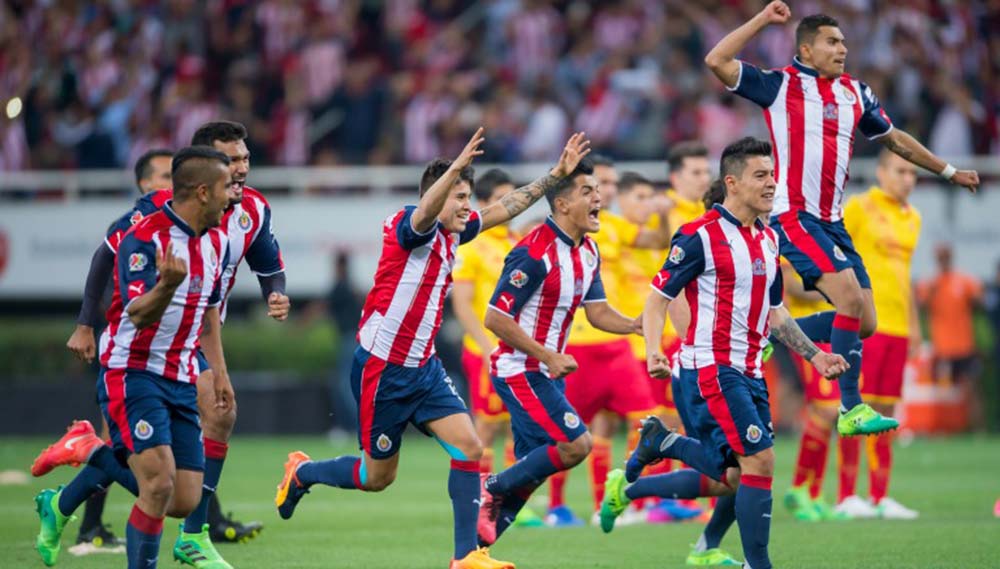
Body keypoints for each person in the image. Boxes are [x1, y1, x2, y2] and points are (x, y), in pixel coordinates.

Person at [273, 129, 591, 569]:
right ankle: (303, 472)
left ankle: (467, 557)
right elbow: (424, 212)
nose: (466, 205)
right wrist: (455, 167)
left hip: (424, 368)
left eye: (467, 197)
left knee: (470, 447)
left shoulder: (454, 234)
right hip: (383, 369)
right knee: (376, 476)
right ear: (436, 195)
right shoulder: (408, 226)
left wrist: (554, 176)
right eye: (459, 196)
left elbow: (505, 207)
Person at [705, 1, 978, 437]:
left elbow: (894, 139)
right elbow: (717, 60)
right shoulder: (780, 86)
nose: (842, 49)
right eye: (832, 42)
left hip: (833, 222)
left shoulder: (856, 93)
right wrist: (763, 19)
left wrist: (947, 171)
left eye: (844, 42)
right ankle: (851, 407)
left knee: (864, 322)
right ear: (806, 50)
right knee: (849, 301)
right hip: (794, 215)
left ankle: (766, 334)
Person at [33, 121, 287, 569]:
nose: (241, 172)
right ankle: (188, 535)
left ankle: (78, 481)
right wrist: (88, 322)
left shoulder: (221, 233)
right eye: (231, 164)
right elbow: (127, 296)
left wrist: (226, 363)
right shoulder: (147, 229)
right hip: (135, 363)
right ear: (205, 181)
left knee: (180, 490)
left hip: (184, 357)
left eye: (245, 159)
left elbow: (214, 306)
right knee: (157, 481)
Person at [601, 138, 848, 569]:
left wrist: (815, 356)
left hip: (750, 371)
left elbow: (775, 312)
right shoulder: (698, 235)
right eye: (760, 175)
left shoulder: (768, 238)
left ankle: (659, 449)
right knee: (760, 461)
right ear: (732, 183)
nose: (771, 183)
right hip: (711, 370)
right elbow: (659, 298)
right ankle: (756, 563)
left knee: (733, 477)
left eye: (772, 175)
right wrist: (654, 350)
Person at [476, 156, 642, 555]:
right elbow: (495, 317)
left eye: (598, 190)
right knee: (577, 445)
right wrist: (547, 355)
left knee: (528, 477)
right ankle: (489, 485)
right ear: (563, 204)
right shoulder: (533, 253)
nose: (599, 197)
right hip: (519, 369)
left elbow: (597, 312)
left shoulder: (589, 251)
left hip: (546, 373)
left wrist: (637, 325)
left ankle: (471, 554)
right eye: (588, 191)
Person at [61, 147, 174, 556]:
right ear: (144, 183)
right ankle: (88, 522)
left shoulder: (184, 221)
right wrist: (86, 325)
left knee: (175, 439)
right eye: (165, 175)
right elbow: (101, 271)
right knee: (118, 443)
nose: (174, 182)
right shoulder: (131, 224)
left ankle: (83, 518)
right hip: (130, 349)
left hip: (169, 349)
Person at [548, 155, 666, 527]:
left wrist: (662, 214)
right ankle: (556, 506)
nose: (606, 191)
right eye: (600, 184)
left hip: (616, 343)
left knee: (647, 419)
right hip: (578, 346)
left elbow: (658, 239)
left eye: (610, 184)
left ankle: (625, 497)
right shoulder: (559, 234)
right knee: (571, 431)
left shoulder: (611, 228)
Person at [616, 142, 714, 523]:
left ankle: (671, 497)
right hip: (652, 334)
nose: (703, 178)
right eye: (695, 172)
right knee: (648, 417)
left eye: (706, 171)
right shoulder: (663, 211)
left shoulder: (703, 214)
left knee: (679, 417)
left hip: (683, 333)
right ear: (675, 177)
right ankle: (638, 497)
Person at [451, 169, 544, 527]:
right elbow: (462, 304)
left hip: (515, 349)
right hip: (486, 350)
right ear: (485, 203)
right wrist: (486, 345)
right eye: (504, 198)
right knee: (487, 427)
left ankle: (508, 497)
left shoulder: (517, 241)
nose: (512, 204)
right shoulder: (472, 245)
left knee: (516, 424)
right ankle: (479, 498)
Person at [917, 244, 984, 427]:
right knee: (941, 391)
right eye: (940, 256)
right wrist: (931, 292)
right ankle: (941, 427)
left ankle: (978, 430)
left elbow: (979, 303)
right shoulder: (931, 283)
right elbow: (920, 306)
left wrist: (977, 297)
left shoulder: (964, 281)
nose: (943, 259)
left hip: (964, 346)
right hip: (942, 348)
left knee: (972, 389)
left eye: (946, 256)